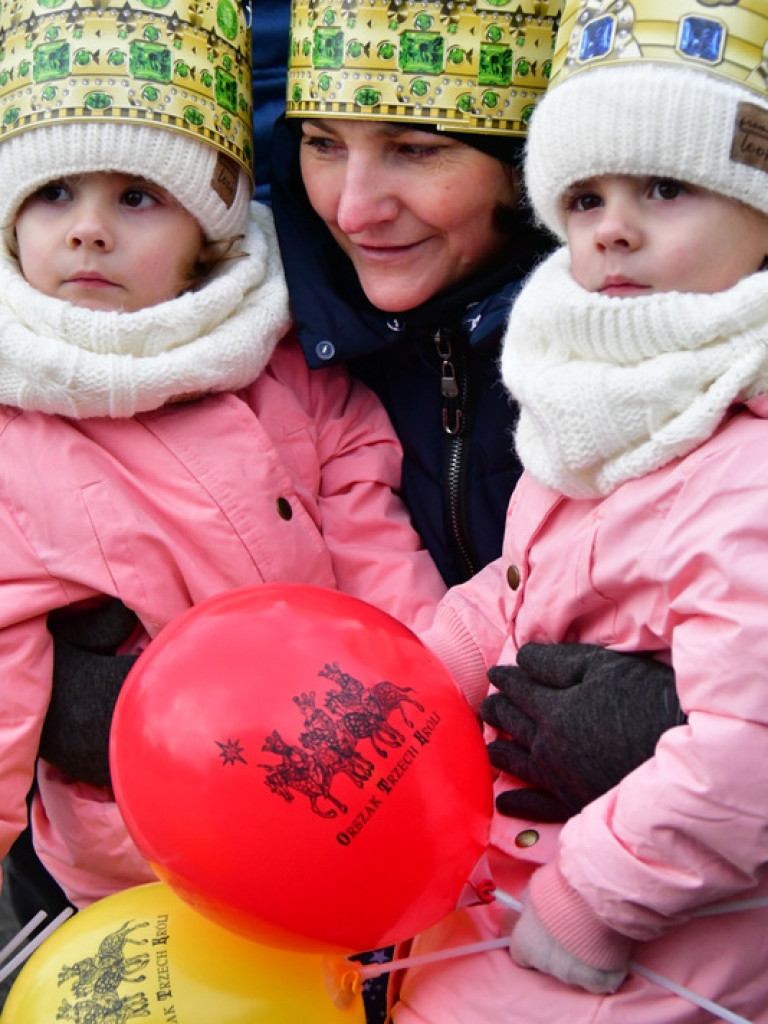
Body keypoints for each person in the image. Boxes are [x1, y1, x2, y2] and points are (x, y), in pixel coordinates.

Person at [0, 0, 447, 918]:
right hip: (155, 845)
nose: (88, 229)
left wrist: (435, 703)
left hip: (356, 782)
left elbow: (369, 527)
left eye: (136, 197)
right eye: (52, 194)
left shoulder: (279, 359)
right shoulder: (17, 430)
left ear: (208, 237)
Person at [390, 1, 768, 1021]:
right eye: (587, 195)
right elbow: (524, 587)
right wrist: (409, 687)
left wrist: (591, 900)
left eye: (666, 184)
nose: (616, 225)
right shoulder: (605, 401)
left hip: (647, 961)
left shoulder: (747, 467)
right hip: (494, 904)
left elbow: (750, 742)